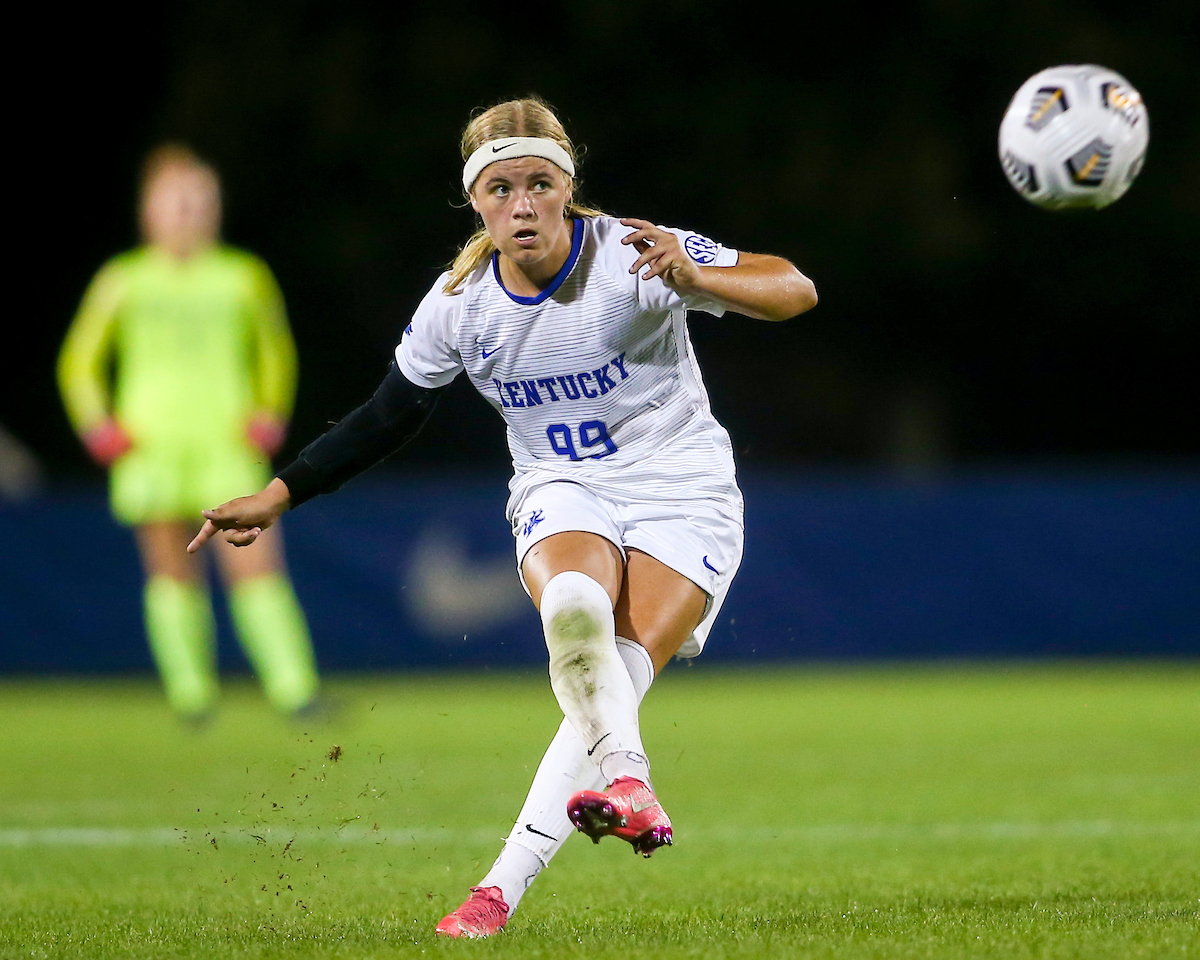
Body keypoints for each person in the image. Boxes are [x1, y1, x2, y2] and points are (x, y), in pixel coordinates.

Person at [187, 96, 816, 935]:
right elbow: (388, 415)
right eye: (501, 188)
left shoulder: (633, 255)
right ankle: (628, 785)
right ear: (474, 201)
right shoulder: (460, 303)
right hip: (562, 485)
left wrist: (699, 279)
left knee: (617, 679)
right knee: (575, 609)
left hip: (682, 487)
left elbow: (796, 290)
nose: (522, 205)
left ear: (568, 186)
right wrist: (279, 493)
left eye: (539, 184)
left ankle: (499, 891)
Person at [58, 144, 321, 723]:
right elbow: (79, 362)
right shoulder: (124, 279)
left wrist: (270, 412)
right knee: (171, 571)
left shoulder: (242, 277)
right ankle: (192, 697)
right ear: (148, 210)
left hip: (226, 446)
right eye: (175, 201)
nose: (187, 211)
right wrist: (98, 426)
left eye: (199, 200)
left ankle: (295, 690)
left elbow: (276, 353)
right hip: (150, 448)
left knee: (256, 566)